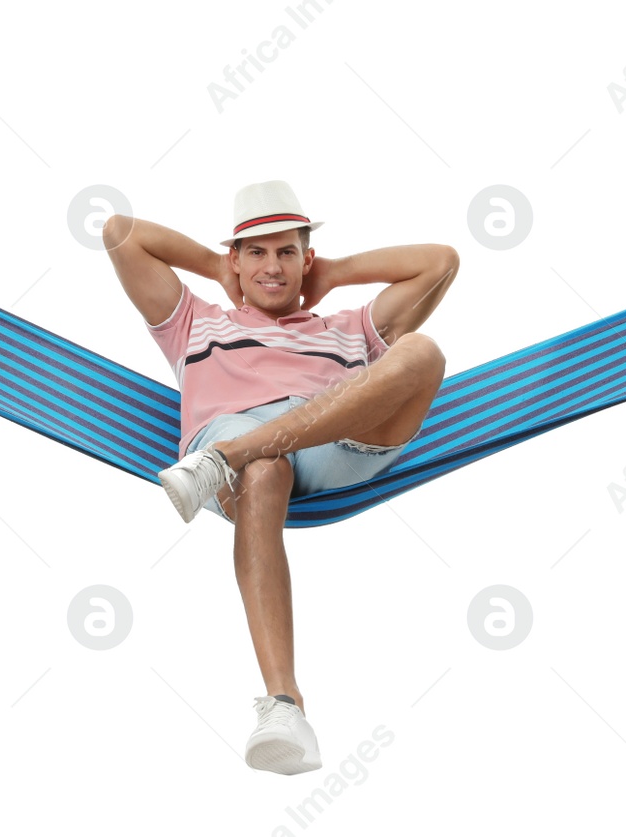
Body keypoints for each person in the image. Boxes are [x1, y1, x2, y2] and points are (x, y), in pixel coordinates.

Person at [101, 180, 457, 775]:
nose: (272, 265)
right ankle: (285, 707)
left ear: (305, 260)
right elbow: (119, 232)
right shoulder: (194, 322)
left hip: (333, 442)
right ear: (236, 260)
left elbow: (441, 262)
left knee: (421, 351)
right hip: (249, 458)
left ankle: (231, 456)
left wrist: (335, 272)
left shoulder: (347, 328)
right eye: (256, 251)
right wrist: (217, 267)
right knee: (265, 471)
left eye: (287, 251)